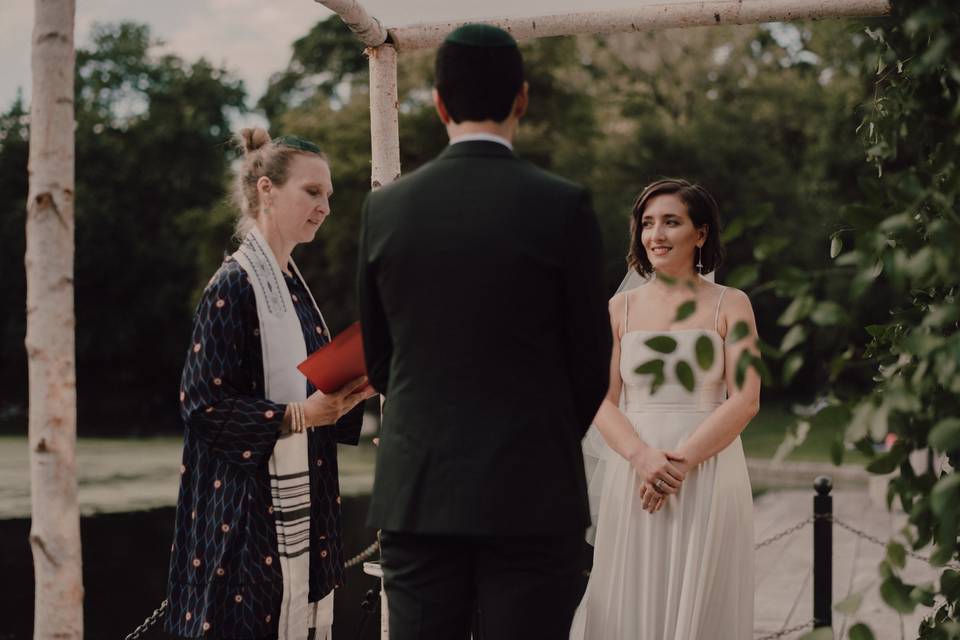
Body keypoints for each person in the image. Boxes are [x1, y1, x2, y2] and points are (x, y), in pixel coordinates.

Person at [356, 23, 612, 640]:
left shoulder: (387, 208)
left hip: (418, 492)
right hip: (533, 490)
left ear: (439, 103)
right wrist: (538, 434)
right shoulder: (563, 205)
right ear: (521, 98)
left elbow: (380, 354)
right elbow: (590, 357)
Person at [165, 128, 375, 640]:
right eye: (312, 192)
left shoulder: (294, 288)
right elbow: (201, 405)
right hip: (246, 518)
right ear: (266, 189)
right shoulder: (234, 285)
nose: (325, 206)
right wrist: (303, 415)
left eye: (329, 196)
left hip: (307, 499)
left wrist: (349, 392)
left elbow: (306, 390)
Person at [571, 178, 760, 639]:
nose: (655, 234)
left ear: (700, 234)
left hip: (709, 472)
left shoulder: (732, 304)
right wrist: (643, 458)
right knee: (627, 601)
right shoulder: (619, 309)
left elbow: (747, 398)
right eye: (647, 223)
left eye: (671, 222)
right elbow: (599, 398)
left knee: (702, 604)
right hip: (634, 474)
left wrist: (679, 464)